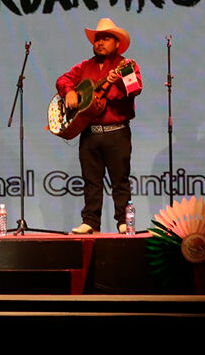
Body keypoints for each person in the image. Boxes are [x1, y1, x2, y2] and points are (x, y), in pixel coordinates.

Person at [56, 18, 143, 235]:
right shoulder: (85, 66)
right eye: (97, 39)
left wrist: (118, 81)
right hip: (89, 132)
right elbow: (63, 80)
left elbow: (135, 89)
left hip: (117, 132)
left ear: (117, 43)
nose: (100, 43)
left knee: (120, 180)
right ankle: (91, 222)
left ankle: (123, 221)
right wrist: (69, 92)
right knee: (91, 181)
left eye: (106, 39)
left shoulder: (127, 65)